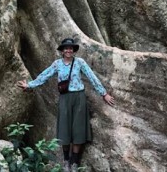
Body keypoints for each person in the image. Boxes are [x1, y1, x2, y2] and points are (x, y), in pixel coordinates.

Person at [17, 38, 116, 170]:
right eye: (66, 48)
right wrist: (29, 85)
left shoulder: (80, 62)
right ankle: (66, 161)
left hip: (79, 98)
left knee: (78, 130)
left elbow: (92, 77)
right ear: (62, 51)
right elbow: (44, 76)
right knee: (64, 129)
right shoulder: (57, 64)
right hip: (64, 99)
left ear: (73, 50)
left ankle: (75, 162)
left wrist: (104, 93)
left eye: (71, 48)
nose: (68, 50)